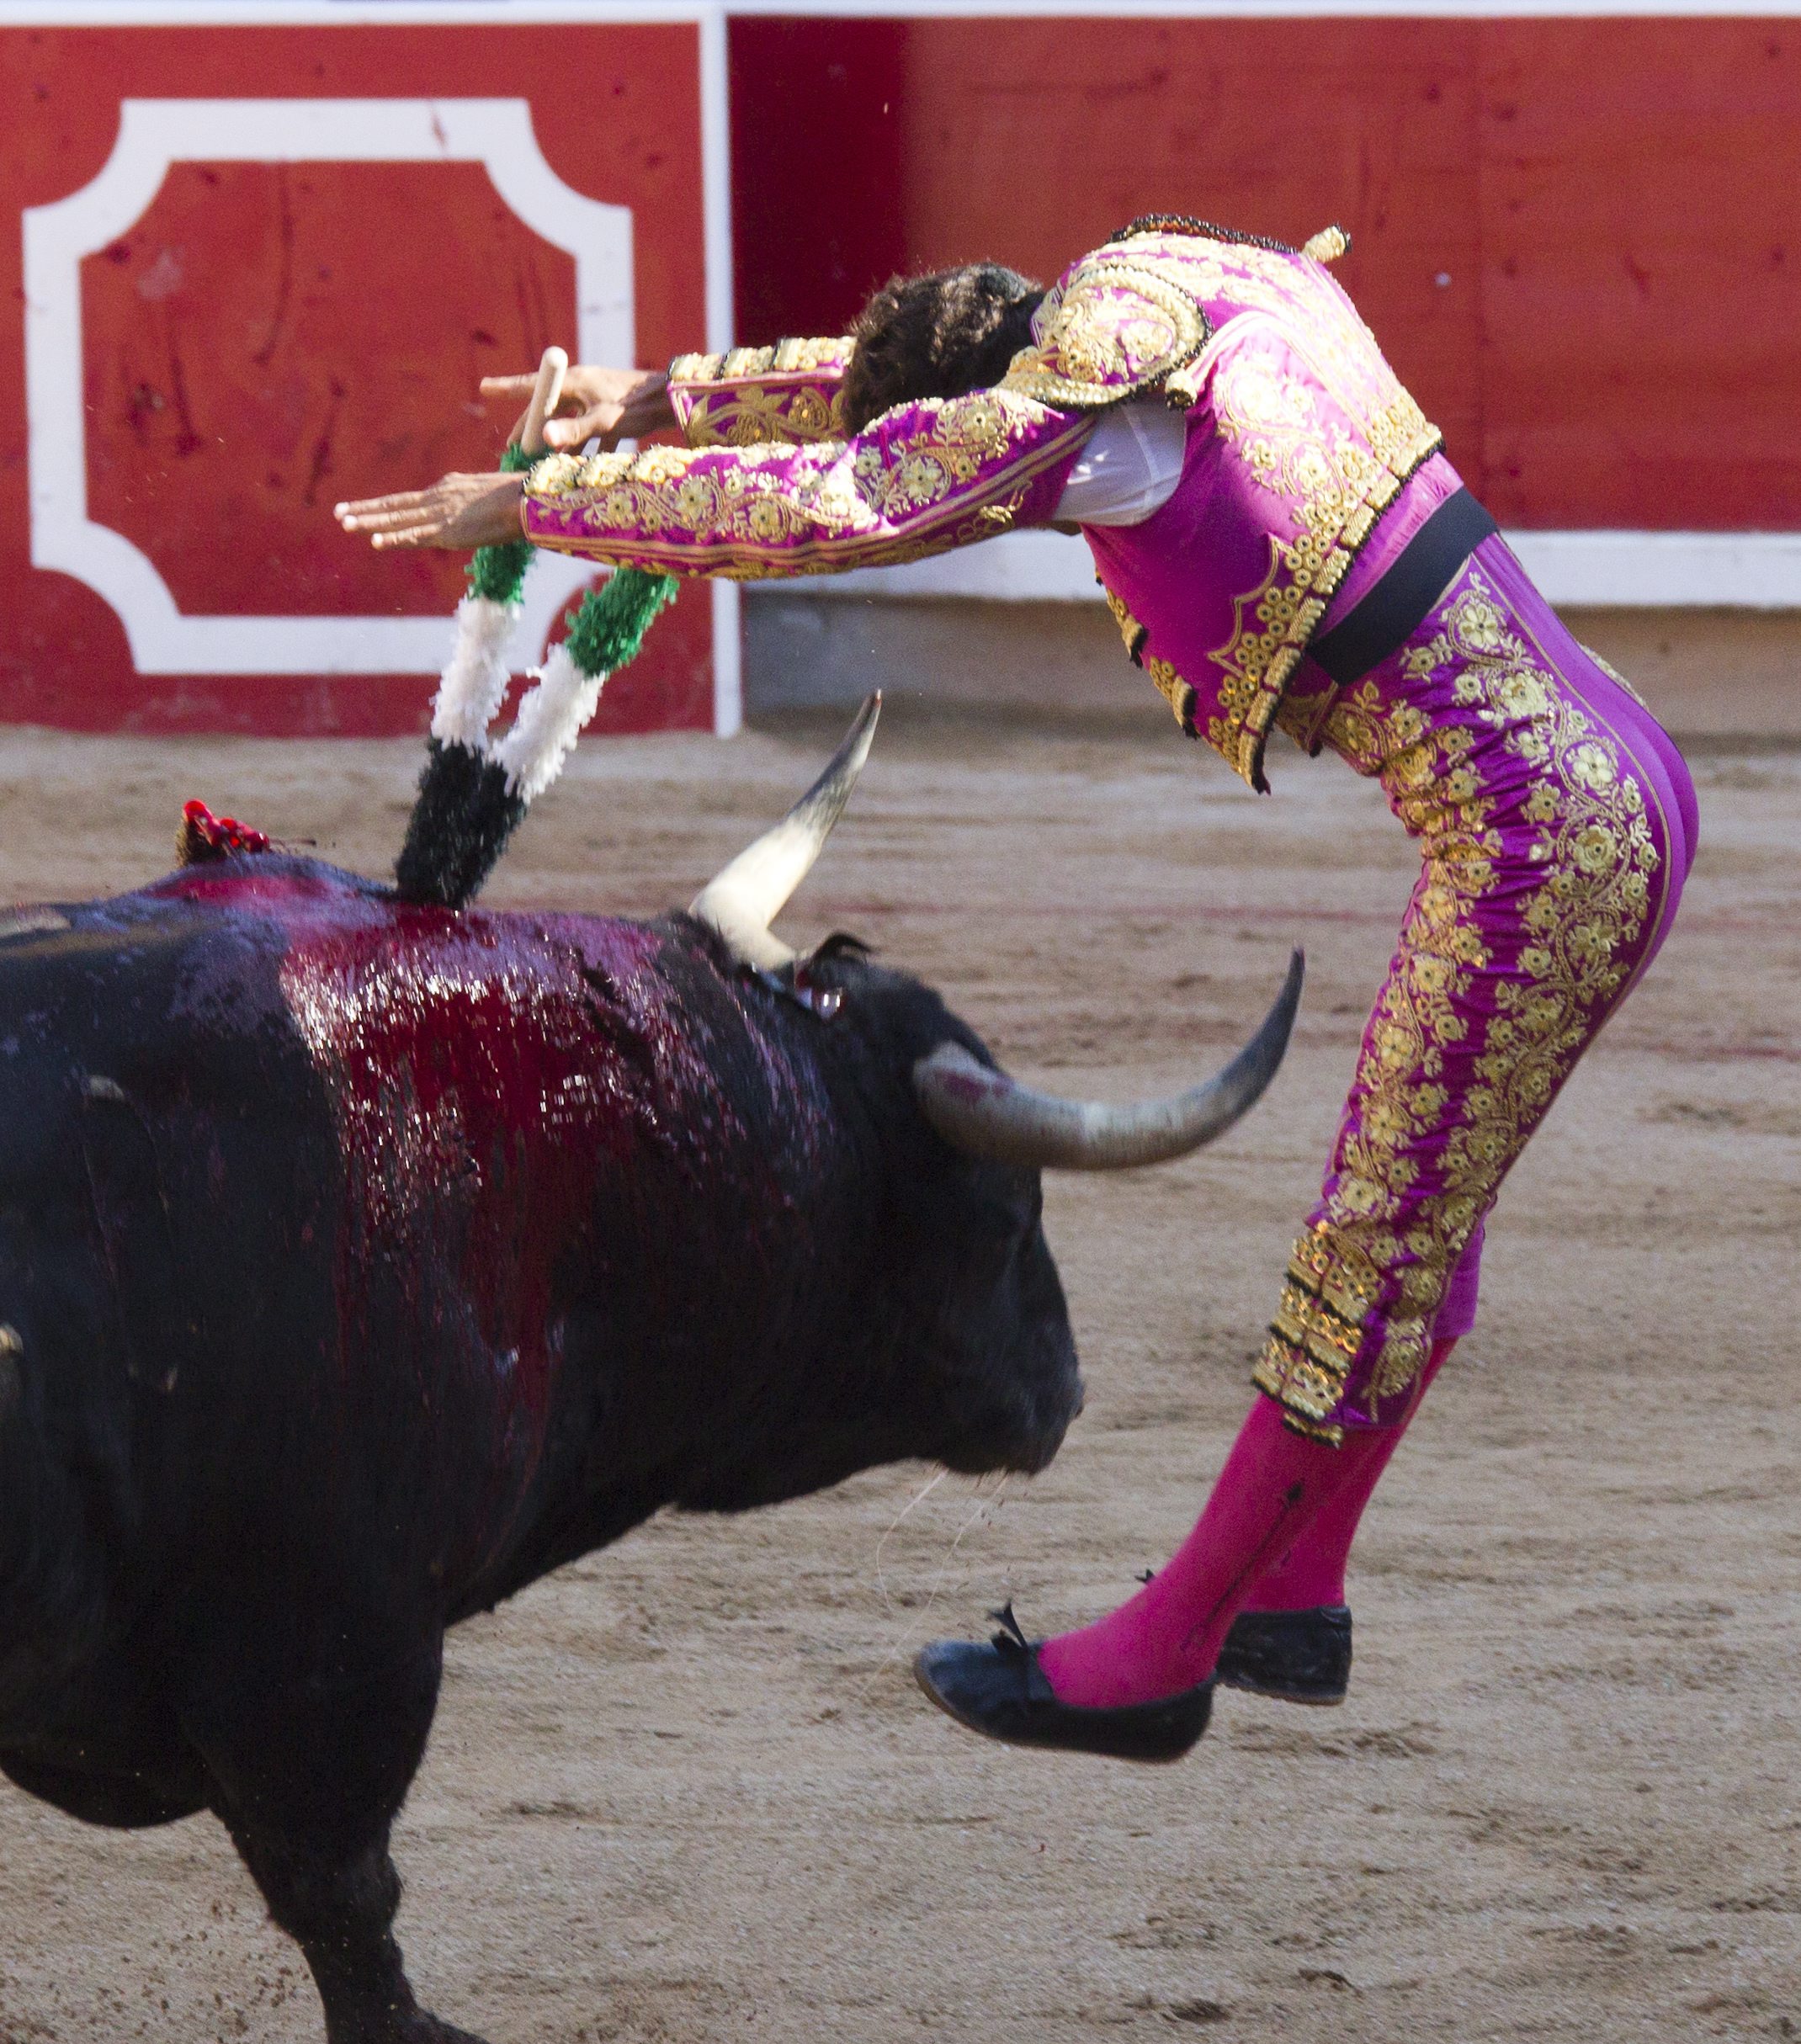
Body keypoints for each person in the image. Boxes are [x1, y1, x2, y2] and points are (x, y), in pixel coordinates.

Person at [339, 217, 1698, 1764]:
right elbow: (889, 399)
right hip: (1624, 770)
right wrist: (659, 399)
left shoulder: (1092, 439)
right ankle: (1297, 1587)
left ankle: (1164, 1656)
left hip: (1537, 839)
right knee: (1419, 1215)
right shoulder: (1187, 282)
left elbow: (854, 493)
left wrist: (549, 501)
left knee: (1373, 1247)